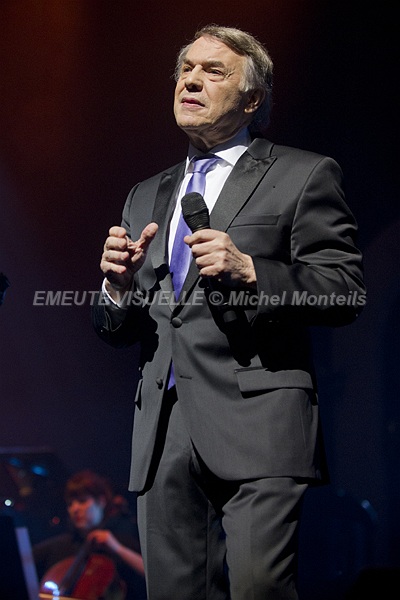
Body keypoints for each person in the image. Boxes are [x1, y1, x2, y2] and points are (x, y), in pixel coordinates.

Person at [92, 24, 366, 600]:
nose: (190, 80)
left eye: (212, 71)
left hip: (260, 420)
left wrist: (252, 270)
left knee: (260, 588)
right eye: (185, 69)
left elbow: (343, 290)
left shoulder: (303, 173)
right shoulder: (146, 193)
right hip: (163, 429)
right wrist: (117, 287)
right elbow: (123, 327)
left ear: (251, 99)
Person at [33, 469, 146, 599]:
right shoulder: (60, 546)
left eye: (82, 501)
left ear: (101, 501)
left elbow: (152, 574)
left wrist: (117, 548)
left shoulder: (123, 540)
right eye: (70, 504)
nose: (75, 509)